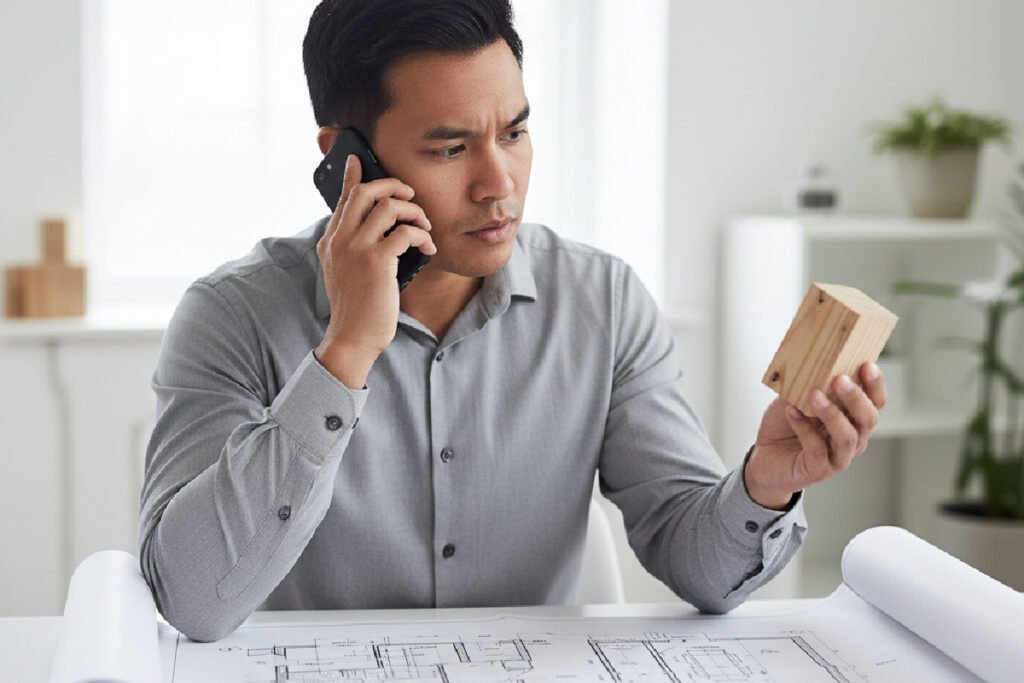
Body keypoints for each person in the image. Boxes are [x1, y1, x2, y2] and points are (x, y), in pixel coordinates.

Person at [139, 0, 888, 643]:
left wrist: (765, 483)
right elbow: (193, 601)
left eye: (515, 133)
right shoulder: (233, 316)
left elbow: (700, 565)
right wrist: (344, 354)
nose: (499, 184)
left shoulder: (603, 301)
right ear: (347, 162)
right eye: (451, 146)